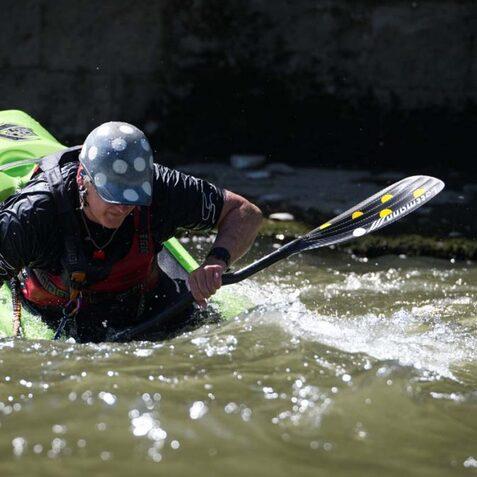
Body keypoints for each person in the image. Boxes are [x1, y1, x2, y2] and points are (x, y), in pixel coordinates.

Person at [0, 122, 262, 342]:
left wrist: (216, 260)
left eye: (133, 195)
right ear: (83, 179)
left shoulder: (162, 188)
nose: (123, 207)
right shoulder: (33, 214)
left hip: (141, 302)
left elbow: (244, 212)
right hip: (55, 313)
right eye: (111, 195)